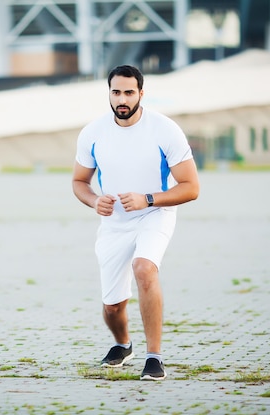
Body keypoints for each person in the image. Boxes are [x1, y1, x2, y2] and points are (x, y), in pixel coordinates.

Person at [72, 65, 200, 381]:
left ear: (142, 93)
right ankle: (122, 344)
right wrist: (93, 200)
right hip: (115, 223)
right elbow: (79, 181)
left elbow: (191, 187)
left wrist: (149, 199)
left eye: (129, 92)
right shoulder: (92, 133)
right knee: (113, 307)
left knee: (144, 268)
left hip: (154, 214)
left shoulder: (165, 129)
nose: (122, 99)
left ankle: (154, 358)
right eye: (116, 92)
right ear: (109, 94)